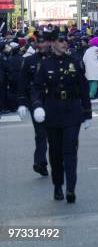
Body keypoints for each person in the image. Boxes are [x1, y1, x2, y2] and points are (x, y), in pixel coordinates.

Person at [31, 32, 92, 203]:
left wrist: (87, 113)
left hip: (72, 111)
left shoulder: (74, 61)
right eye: (60, 41)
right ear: (52, 43)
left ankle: (71, 188)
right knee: (56, 153)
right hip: (53, 112)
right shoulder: (44, 64)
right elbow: (36, 88)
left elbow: (83, 88)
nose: (65, 43)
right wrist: (37, 106)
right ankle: (58, 184)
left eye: (66, 41)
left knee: (70, 150)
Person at [17, 32, 51, 176]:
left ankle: (58, 162)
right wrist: (22, 102)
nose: (42, 45)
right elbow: (22, 83)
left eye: (44, 42)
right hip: (36, 101)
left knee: (55, 134)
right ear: (36, 44)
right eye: (39, 42)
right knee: (40, 133)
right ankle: (40, 162)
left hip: (54, 101)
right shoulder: (29, 60)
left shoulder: (56, 59)